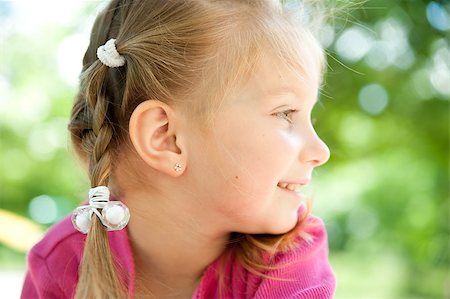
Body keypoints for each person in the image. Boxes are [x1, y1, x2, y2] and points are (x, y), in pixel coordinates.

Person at [21, 0, 337, 298]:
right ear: (166, 137)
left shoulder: (291, 258)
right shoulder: (60, 264)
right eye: (285, 113)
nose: (320, 150)